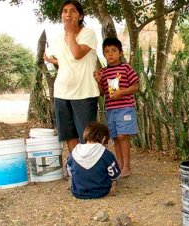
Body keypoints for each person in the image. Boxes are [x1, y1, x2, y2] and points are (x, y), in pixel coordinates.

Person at [43, 0, 99, 152]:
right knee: (69, 134)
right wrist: (58, 61)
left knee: (88, 136)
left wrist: (69, 32)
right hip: (62, 93)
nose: (68, 14)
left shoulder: (88, 33)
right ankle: (76, 169)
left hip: (84, 93)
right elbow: (47, 57)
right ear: (61, 15)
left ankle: (89, 170)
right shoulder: (57, 37)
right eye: (65, 11)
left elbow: (77, 53)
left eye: (73, 11)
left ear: (80, 16)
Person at [94, 38, 139, 177]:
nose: (110, 54)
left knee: (123, 136)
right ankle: (119, 167)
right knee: (115, 137)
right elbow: (102, 93)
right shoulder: (103, 72)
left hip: (125, 107)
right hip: (111, 109)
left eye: (114, 50)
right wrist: (98, 82)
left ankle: (127, 167)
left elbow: (136, 86)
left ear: (120, 53)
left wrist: (121, 92)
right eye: (106, 51)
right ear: (103, 54)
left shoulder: (126, 68)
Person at [67, 122, 121, 199]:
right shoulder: (105, 153)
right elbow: (115, 175)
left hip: (78, 192)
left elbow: (69, 171)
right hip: (101, 191)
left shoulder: (75, 151)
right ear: (104, 139)